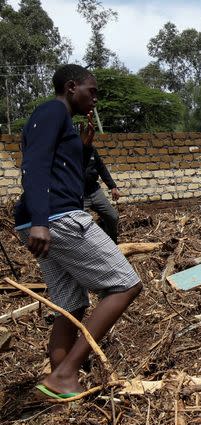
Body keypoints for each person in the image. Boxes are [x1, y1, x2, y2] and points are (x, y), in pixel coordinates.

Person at [13, 64, 142, 398]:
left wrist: (82, 148)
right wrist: (41, 220)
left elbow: (60, 170)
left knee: (70, 303)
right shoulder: (53, 111)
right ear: (71, 87)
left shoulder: (63, 121)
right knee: (125, 284)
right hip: (56, 219)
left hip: (44, 219)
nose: (95, 98)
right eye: (91, 91)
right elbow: (35, 164)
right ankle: (67, 374)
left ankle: (57, 383)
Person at [84, 145, 121, 243]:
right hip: (80, 194)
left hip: (95, 191)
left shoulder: (91, 149)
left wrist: (112, 186)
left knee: (113, 217)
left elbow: (101, 168)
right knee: (82, 223)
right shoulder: (70, 149)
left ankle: (112, 243)